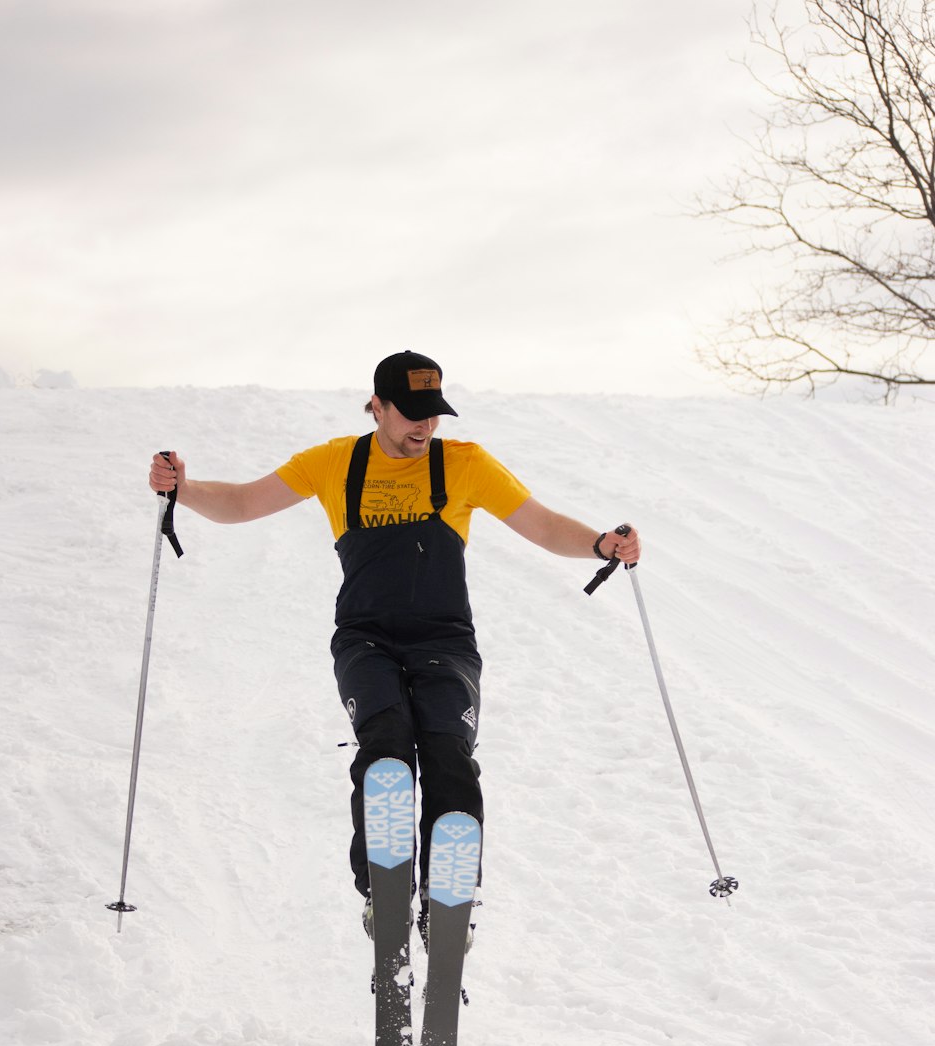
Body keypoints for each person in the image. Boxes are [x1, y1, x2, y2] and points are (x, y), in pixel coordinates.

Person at [149, 350, 640, 944]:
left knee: (448, 755)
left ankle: (448, 905)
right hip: (366, 639)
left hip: (445, 641)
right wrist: (184, 488)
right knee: (385, 752)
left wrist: (600, 545)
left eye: (433, 414)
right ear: (376, 406)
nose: (425, 427)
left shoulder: (466, 465)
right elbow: (245, 503)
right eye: (411, 414)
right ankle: (384, 895)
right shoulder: (334, 463)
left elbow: (540, 524)